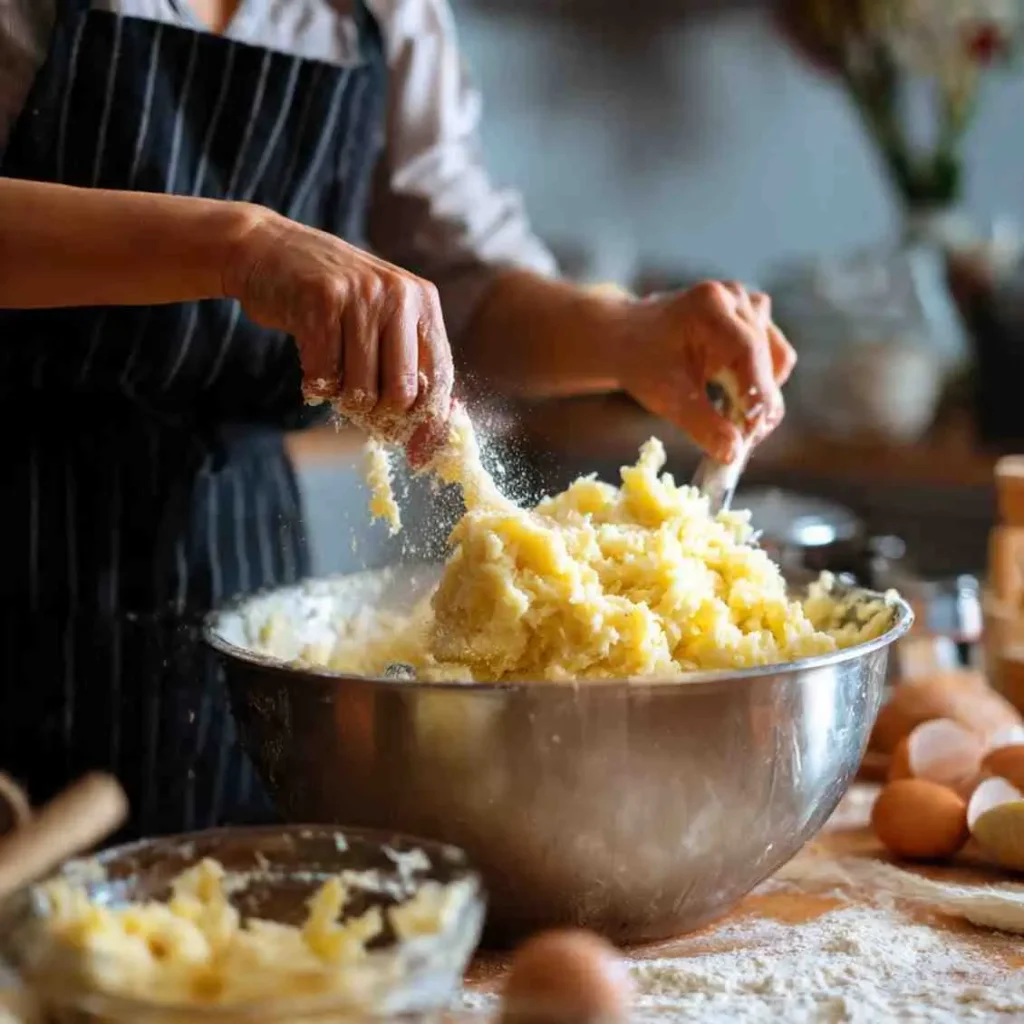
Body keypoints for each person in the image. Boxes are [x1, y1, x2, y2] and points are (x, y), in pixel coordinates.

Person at [0, 0, 796, 838]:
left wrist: (626, 335)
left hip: (233, 572)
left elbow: (459, 285)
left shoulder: (378, 11)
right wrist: (240, 243)